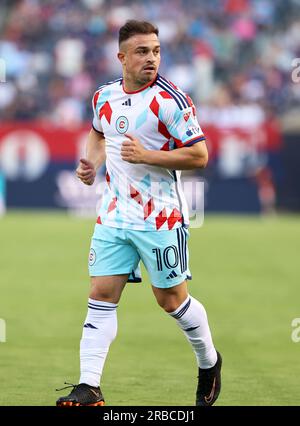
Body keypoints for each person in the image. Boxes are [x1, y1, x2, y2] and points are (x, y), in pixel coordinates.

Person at [56, 20, 222, 407]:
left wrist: (148, 156)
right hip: (114, 214)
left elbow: (200, 154)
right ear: (122, 57)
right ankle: (89, 386)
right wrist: (92, 163)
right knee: (100, 294)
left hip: (159, 218)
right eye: (143, 52)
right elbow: (99, 132)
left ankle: (209, 362)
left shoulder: (171, 101)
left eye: (156, 51)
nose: (152, 58)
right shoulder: (103, 97)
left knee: (171, 301)